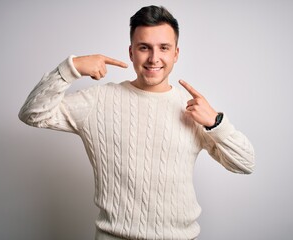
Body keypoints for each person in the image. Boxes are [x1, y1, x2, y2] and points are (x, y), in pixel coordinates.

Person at [19, 5, 255, 240]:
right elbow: (32, 114)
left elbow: (245, 163)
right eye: (144, 48)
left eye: (164, 48)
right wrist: (71, 68)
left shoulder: (192, 109)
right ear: (131, 52)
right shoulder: (98, 100)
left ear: (176, 53)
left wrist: (215, 123)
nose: (154, 58)